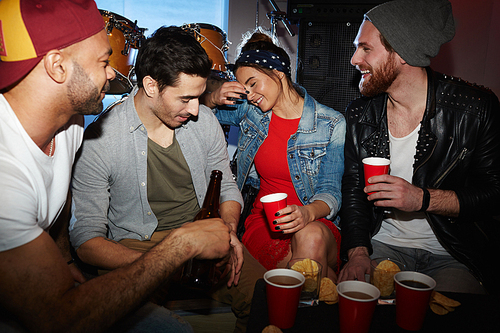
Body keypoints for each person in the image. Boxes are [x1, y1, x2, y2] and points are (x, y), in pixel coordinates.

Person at [0, 1, 232, 332]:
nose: (113, 72)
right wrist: (181, 246)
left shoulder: (70, 123)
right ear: (57, 66)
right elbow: (60, 319)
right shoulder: (4, 174)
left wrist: (62, 258)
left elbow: (60, 195)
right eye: (104, 61)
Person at [69, 26, 266, 332]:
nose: (197, 109)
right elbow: (87, 243)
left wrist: (227, 232)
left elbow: (226, 186)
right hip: (137, 247)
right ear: (150, 86)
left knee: (265, 299)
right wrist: (165, 262)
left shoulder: (204, 122)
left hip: (202, 233)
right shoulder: (101, 140)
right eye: (186, 98)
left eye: (199, 97)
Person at [338, 0, 500, 296]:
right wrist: (358, 251)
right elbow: (352, 189)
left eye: (366, 48)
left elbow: (493, 195)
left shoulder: (475, 110)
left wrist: (423, 199)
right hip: (382, 245)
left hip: (453, 253)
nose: (354, 59)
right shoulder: (359, 114)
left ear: (401, 52)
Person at [202, 30, 345, 281]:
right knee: (311, 274)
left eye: (253, 83)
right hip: (266, 223)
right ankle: (330, 289)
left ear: (278, 73)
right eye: (244, 89)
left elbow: (331, 191)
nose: (250, 95)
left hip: (315, 219)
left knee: (309, 238)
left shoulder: (331, 123)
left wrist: (307, 213)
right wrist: (213, 98)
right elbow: (195, 116)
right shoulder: (250, 112)